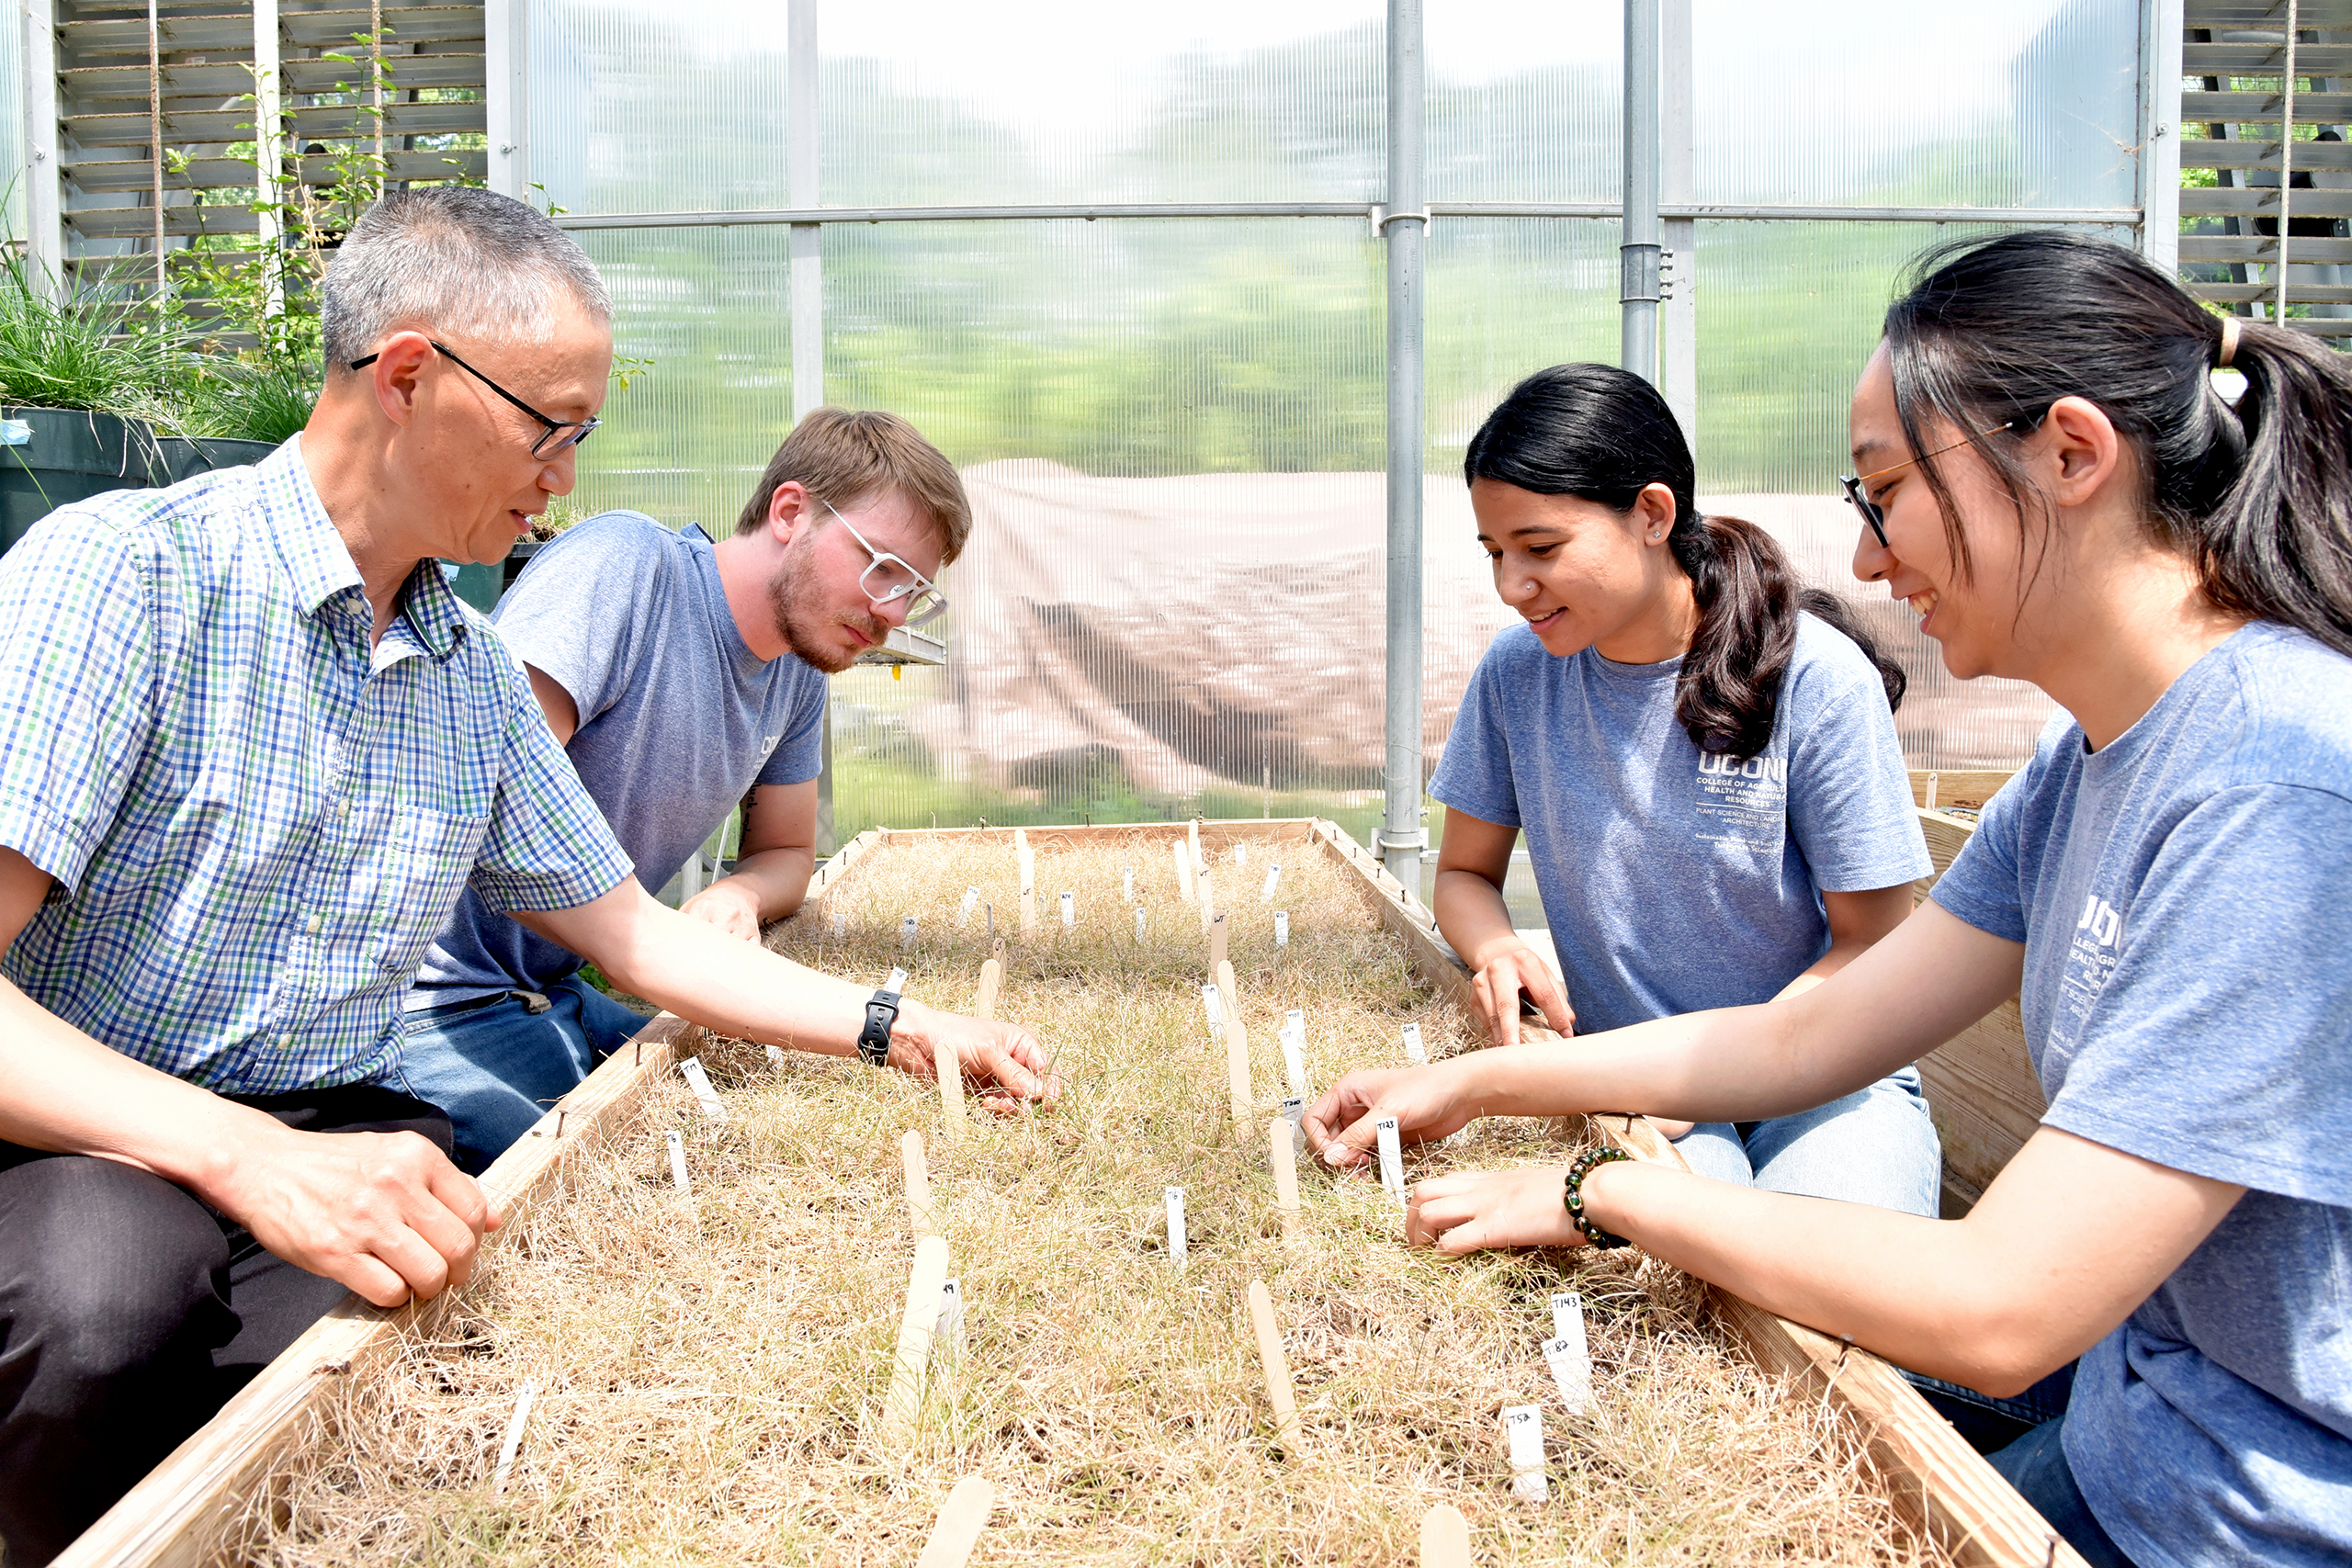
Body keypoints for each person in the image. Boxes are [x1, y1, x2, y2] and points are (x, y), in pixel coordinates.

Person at [0, 186, 1052, 1564]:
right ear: (410, 375)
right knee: (108, 1298)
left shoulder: (466, 674)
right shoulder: (123, 576)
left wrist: (892, 1021)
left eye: (582, 435)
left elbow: (631, 931)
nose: (564, 473)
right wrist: (251, 1157)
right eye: (549, 426)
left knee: (454, 1347)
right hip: (81, 1132)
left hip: (326, 1119)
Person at [1305, 231, 2352, 1568]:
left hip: (2253, 1514)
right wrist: (1476, 1087)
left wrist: (1608, 1193)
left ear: (2072, 455)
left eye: (1889, 493)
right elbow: (1810, 1031)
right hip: (2140, 1430)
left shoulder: (2282, 783)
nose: (1866, 562)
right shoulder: (2082, 756)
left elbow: (2001, 1306)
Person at [1419, 362, 1939, 1213]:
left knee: (1838, 1293)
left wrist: (1716, 1073)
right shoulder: (1519, 676)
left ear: (1654, 515)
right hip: (1630, 1076)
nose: (1513, 586)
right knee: (1688, 1281)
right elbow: (1464, 874)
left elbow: (1874, 948)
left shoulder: (1815, 678)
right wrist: (1495, 948)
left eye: (1542, 549)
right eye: (1496, 554)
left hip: (1825, 1078)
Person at [401, 407, 975, 1172]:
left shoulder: (799, 676)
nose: (893, 612)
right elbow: (486, 810)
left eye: (915, 591)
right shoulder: (625, 570)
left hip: (548, 988)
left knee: (743, 1117)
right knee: (655, 1177)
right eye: (883, 568)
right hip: (427, 1004)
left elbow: (785, 852)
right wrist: (896, 1025)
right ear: (790, 511)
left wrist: (741, 894)